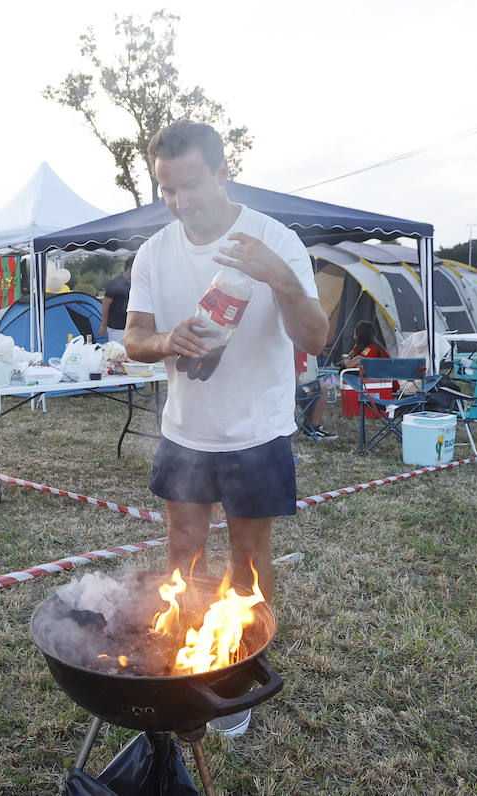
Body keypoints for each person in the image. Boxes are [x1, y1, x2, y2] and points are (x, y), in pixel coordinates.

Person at [122, 120, 325, 738]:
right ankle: (186, 663)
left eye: (190, 186)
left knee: (248, 562)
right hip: (186, 429)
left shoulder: (274, 238)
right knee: (182, 553)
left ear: (221, 172)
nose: (180, 202)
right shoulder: (156, 250)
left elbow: (315, 339)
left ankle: (236, 674)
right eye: (167, 190)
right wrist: (164, 340)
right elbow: (133, 339)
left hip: (255, 430)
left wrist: (280, 277)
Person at [97, 255, 133, 344]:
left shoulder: (135, 283)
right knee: (117, 354)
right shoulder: (115, 284)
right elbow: (105, 306)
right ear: (129, 268)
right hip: (116, 329)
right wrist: (103, 326)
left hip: (131, 328)